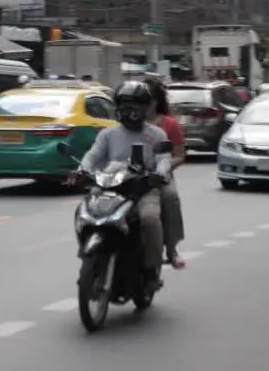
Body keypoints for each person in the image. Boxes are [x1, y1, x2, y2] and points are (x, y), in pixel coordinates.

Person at [75, 81, 172, 288]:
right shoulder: (108, 134)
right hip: (109, 187)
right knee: (83, 213)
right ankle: (87, 253)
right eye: (123, 105)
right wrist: (82, 170)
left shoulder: (156, 134)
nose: (128, 110)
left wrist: (160, 174)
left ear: (145, 108)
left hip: (142, 189)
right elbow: (92, 156)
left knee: (150, 219)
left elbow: (164, 159)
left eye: (134, 105)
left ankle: (150, 270)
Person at [143, 77, 186, 269]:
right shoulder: (128, 123)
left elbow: (179, 155)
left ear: (155, 101)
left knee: (170, 198)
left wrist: (163, 169)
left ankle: (171, 249)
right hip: (129, 174)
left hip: (159, 177)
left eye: (146, 99)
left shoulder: (169, 124)